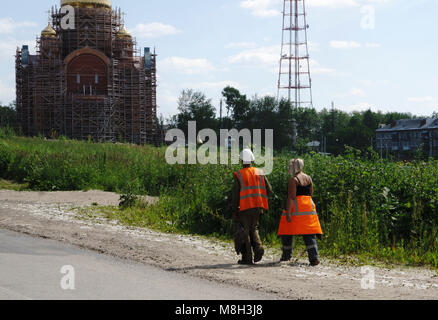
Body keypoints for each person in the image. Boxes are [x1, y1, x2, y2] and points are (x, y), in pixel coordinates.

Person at [278, 159, 322, 266]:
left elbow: (291, 197)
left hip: (296, 210)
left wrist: (288, 213)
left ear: (294, 167)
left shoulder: (294, 180)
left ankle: (286, 256)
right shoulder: (308, 178)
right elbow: (310, 194)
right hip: (308, 210)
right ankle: (314, 258)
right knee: (309, 235)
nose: (289, 168)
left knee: (287, 232)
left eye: (290, 166)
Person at [232, 149, 273, 265]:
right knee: (254, 228)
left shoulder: (239, 174)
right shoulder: (259, 172)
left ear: (241, 161)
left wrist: (234, 210)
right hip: (258, 206)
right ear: (252, 160)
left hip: (245, 207)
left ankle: (247, 258)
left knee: (245, 231)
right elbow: (269, 190)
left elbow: (236, 194)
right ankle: (258, 248)